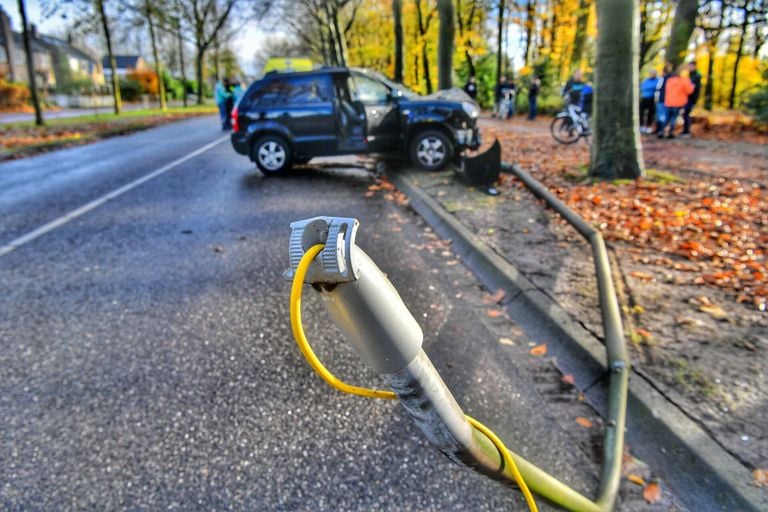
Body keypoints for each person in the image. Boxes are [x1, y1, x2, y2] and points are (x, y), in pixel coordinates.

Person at [658, 67, 694, 139]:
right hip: (678, 102)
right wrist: (692, 86)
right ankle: (670, 132)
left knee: (667, 117)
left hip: (668, 102)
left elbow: (666, 90)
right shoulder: (684, 80)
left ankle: (661, 131)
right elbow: (689, 91)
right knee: (673, 118)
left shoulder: (669, 80)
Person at [681, 61, 701, 137]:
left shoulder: (697, 75)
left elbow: (693, 87)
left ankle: (687, 132)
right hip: (687, 98)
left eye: (690, 66)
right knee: (685, 114)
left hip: (692, 98)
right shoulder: (690, 75)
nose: (689, 68)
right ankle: (685, 130)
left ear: (694, 66)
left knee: (686, 113)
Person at [655, 63, 673, 136]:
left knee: (661, 115)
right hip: (669, 100)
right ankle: (664, 130)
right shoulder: (672, 79)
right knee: (666, 116)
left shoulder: (662, 79)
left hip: (662, 99)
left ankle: (661, 130)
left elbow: (658, 88)